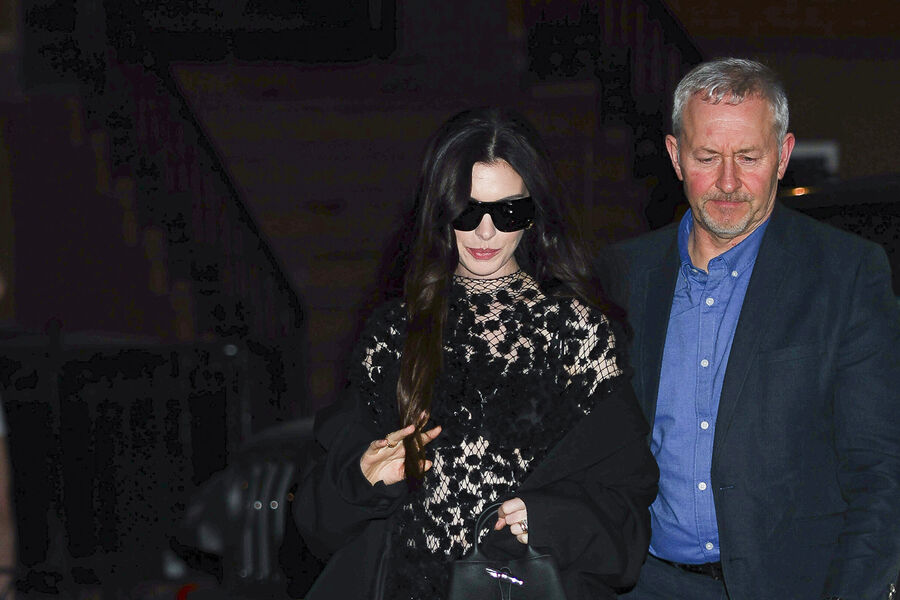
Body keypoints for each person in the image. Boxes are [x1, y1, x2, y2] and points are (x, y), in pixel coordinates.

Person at [295, 107, 658, 600]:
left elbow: (628, 513)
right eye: (467, 211)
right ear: (440, 213)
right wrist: (361, 478)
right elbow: (314, 523)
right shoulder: (395, 333)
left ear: (534, 215)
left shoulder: (578, 335)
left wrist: (552, 519)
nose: (486, 232)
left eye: (508, 212)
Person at [610, 58, 900, 599]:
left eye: (748, 157)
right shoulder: (622, 274)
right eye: (707, 157)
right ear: (675, 156)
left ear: (783, 156)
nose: (727, 182)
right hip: (647, 583)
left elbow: (881, 473)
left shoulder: (845, 274)